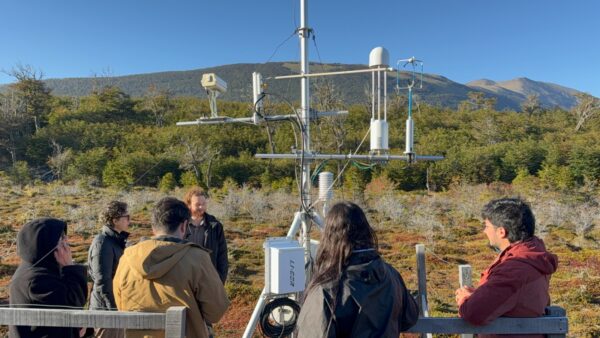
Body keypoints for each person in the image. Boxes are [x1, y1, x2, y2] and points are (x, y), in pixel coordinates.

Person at [297, 201, 419, 337]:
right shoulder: (391, 274)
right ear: (366, 230)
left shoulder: (327, 290)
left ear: (330, 237)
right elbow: (410, 318)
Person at [113, 197, 229, 338]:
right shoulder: (197, 258)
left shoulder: (127, 258)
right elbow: (215, 312)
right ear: (183, 226)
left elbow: (120, 304)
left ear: (153, 227)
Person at [454, 197, 559, 338]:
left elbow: (474, 313)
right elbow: (518, 303)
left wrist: (464, 299)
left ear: (501, 232)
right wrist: (479, 296)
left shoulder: (514, 268)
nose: (484, 231)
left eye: (486, 226)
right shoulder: (532, 256)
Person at [9, 217, 88, 338]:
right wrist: (70, 268)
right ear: (46, 245)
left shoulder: (38, 268)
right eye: (61, 238)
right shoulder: (37, 280)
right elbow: (73, 305)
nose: (66, 241)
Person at [88, 201, 130, 338]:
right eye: (126, 216)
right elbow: (102, 281)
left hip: (114, 308)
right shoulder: (103, 242)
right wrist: (114, 310)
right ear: (115, 220)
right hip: (105, 311)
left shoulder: (115, 241)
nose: (129, 220)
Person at [183, 187, 228, 283]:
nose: (201, 207)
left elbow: (222, 256)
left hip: (209, 280)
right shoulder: (180, 225)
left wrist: (220, 280)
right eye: (198, 204)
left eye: (203, 204)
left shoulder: (215, 226)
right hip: (185, 280)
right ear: (188, 205)